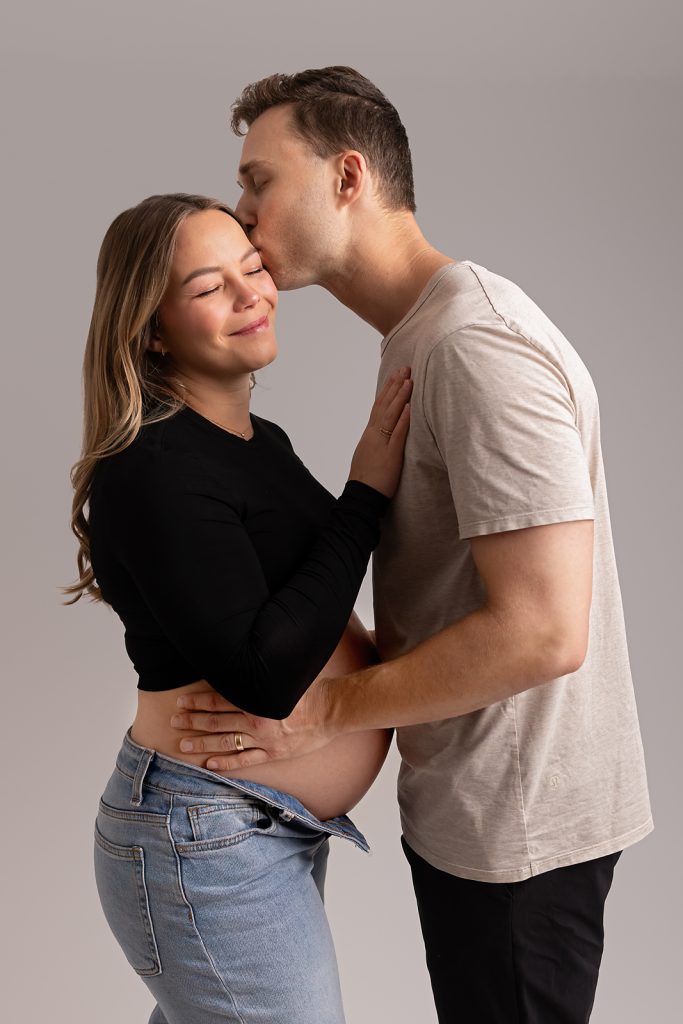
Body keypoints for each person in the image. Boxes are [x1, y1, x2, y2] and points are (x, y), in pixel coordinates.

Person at [172, 68, 654, 1023]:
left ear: (347, 176)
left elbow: (542, 633)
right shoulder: (422, 334)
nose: (243, 211)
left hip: (518, 831)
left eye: (260, 180)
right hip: (481, 809)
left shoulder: (474, 347)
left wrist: (328, 712)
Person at [65, 192, 412, 1024]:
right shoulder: (153, 468)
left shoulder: (261, 442)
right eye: (208, 286)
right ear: (151, 329)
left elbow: (303, 605)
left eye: (251, 268)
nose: (251, 293)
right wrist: (364, 494)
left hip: (244, 831)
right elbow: (266, 674)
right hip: (205, 836)